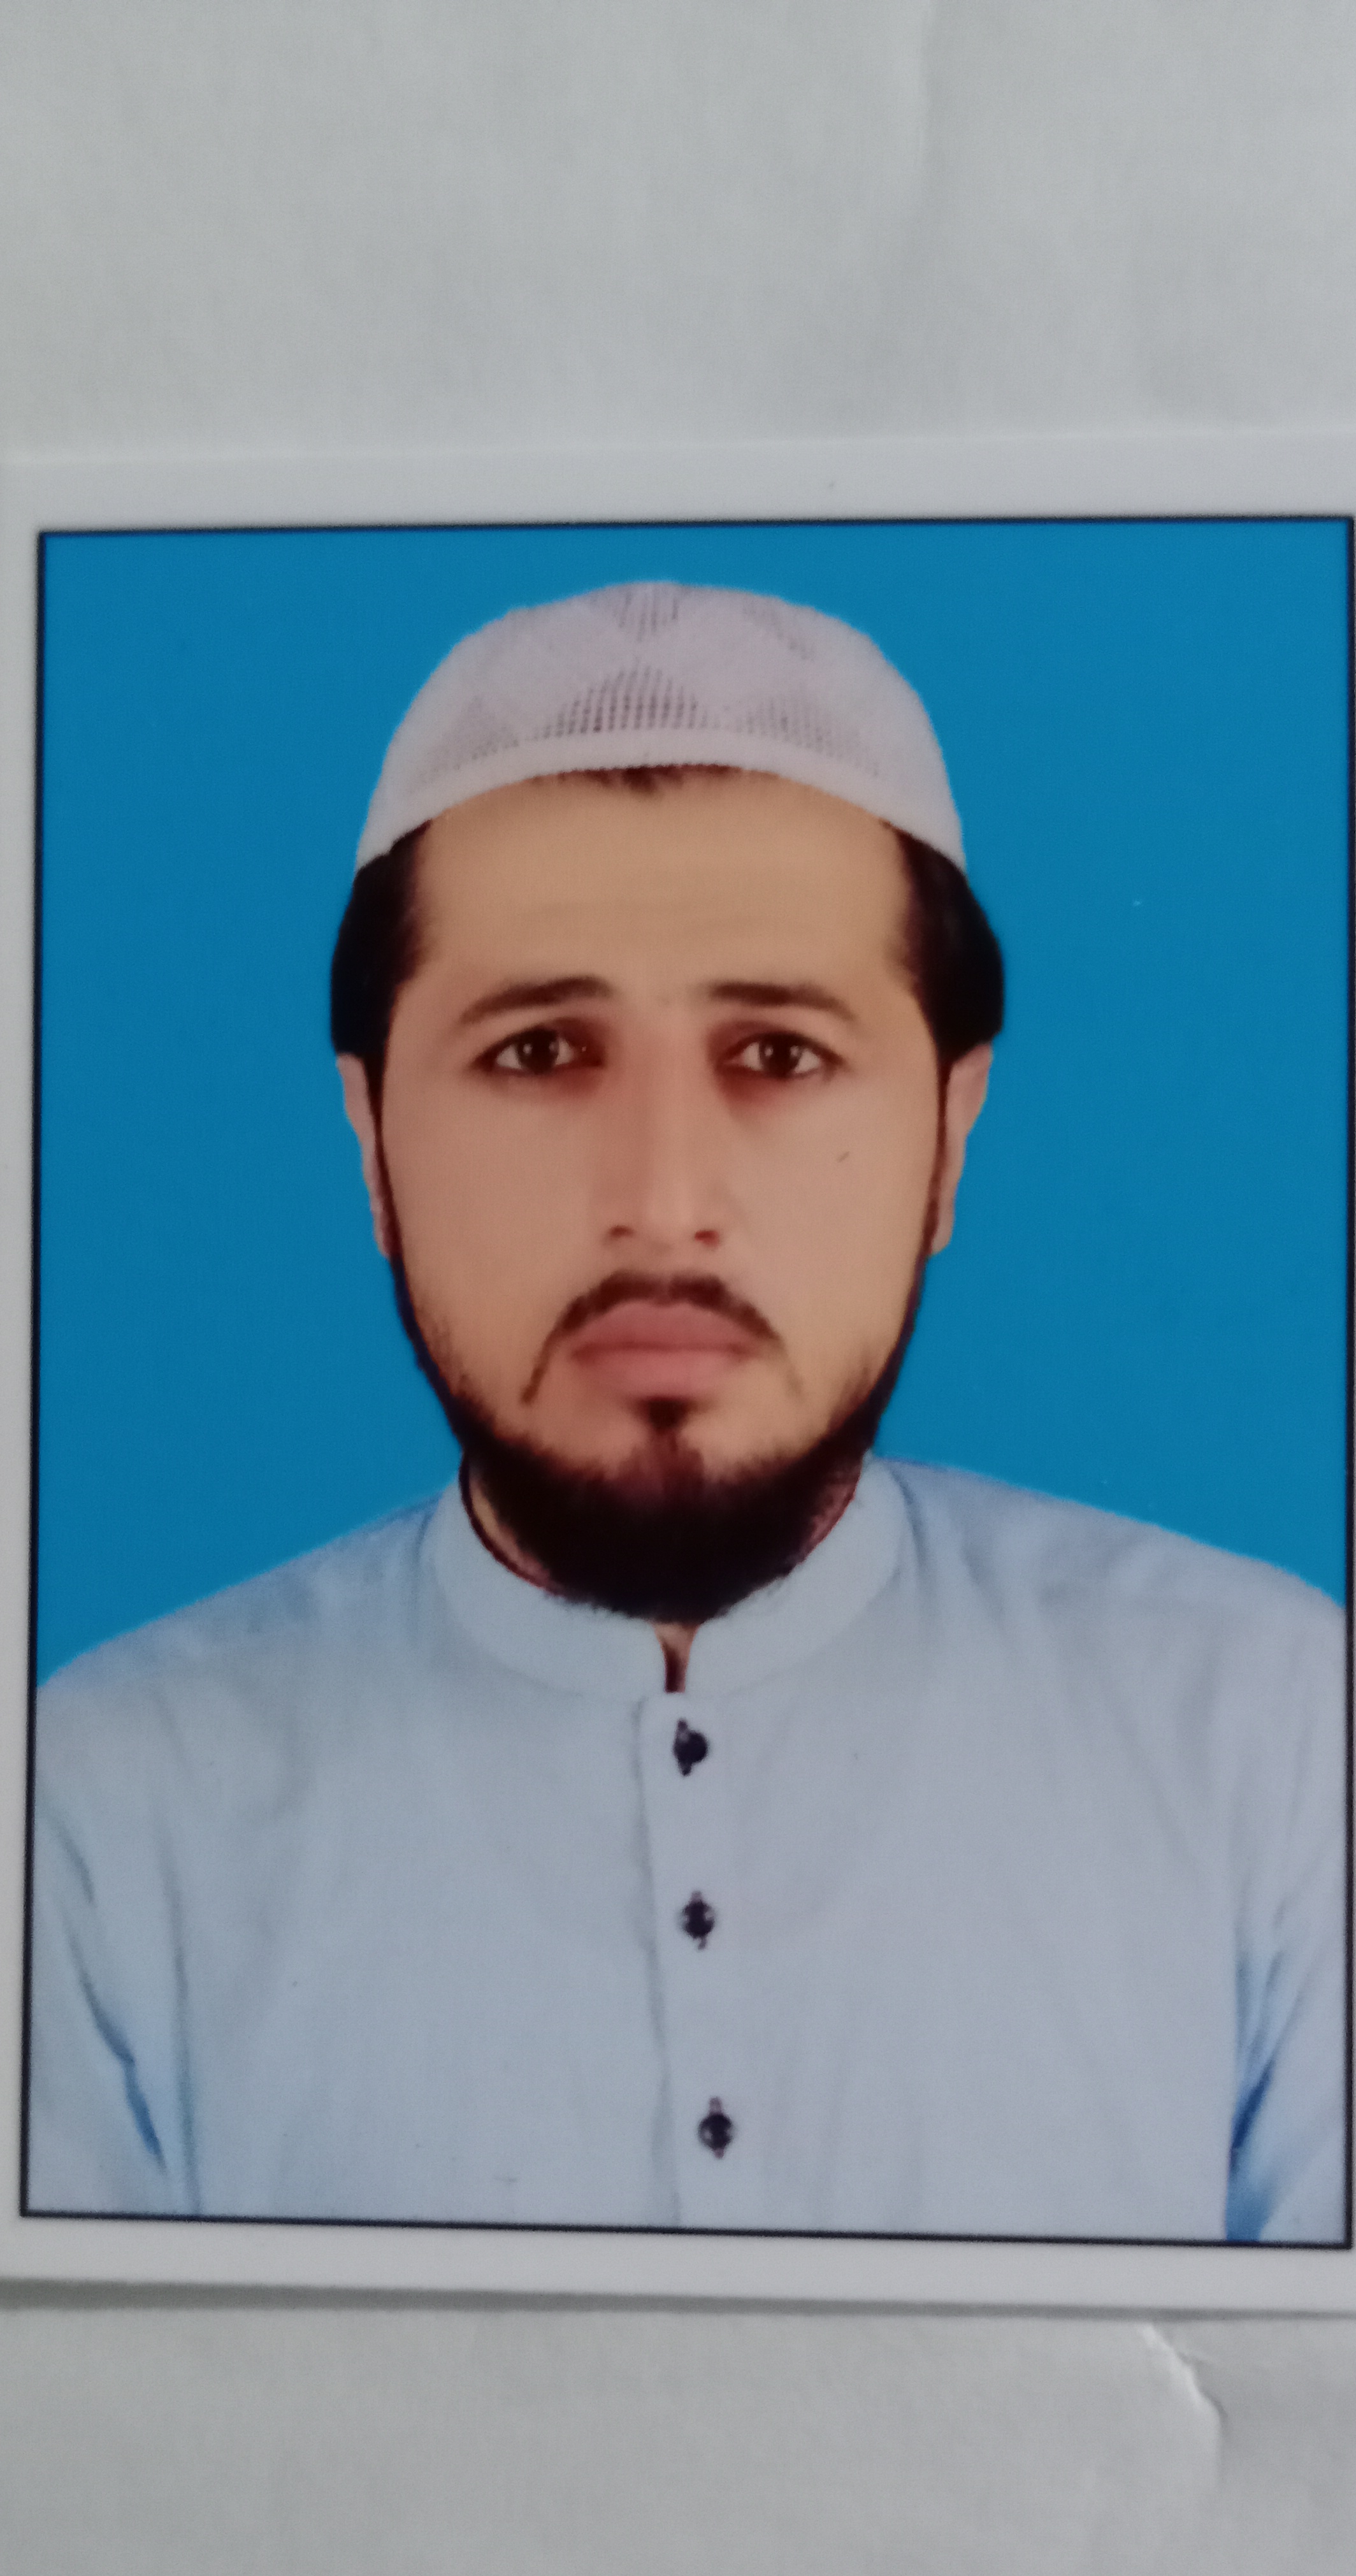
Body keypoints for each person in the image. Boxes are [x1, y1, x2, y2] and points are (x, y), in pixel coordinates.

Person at [27, 581, 1346, 2242]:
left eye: (779, 1056)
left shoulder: (1271, 1739)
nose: (661, 1203)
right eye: (538, 1053)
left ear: (951, 1134)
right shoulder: (100, 1814)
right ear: (372, 1142)